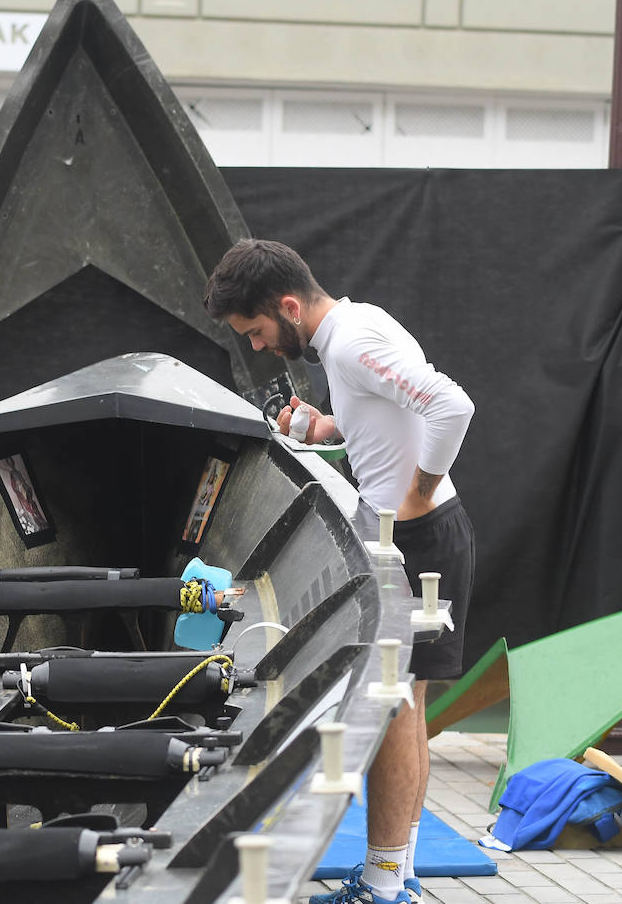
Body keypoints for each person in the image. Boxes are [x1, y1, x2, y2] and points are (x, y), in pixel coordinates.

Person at [203, 239, 475, 904]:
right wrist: (327, 427)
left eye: (259, 332)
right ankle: (396, 876)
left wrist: (418, 490)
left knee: (391, 709)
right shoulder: (360, 327)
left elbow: (451, 406)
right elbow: (399, 420)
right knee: (405, 706)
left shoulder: (351, 345)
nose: (262, 347)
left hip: (415, 536)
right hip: (418, 531)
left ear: (289, 305)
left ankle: (385, 887)